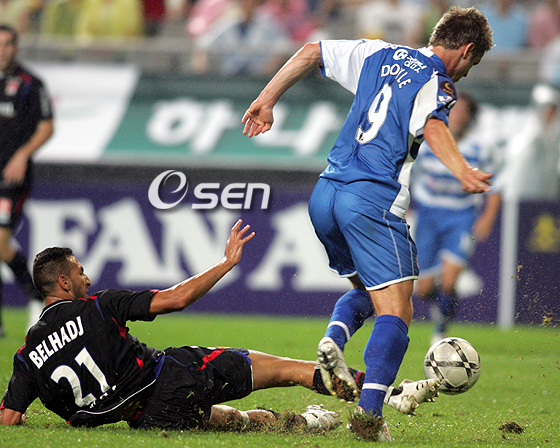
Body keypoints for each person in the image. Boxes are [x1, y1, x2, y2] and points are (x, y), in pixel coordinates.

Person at [242, 6, 494, 441]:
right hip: (372, 199)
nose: (468, 72)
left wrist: (266, 100)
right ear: (467, 50)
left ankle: (334, 341)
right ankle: (369, 418)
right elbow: (433, 126)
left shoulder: (378, 53)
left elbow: (310, 51)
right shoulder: (437, 81)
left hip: (326, 193)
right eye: (473, 63)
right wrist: (462, 170)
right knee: (397, 308)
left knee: (369, 292)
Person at [0, 220, 437, 431]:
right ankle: (389, 394)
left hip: (148, 419)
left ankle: (309, 424)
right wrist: (226, 263)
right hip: (171, 377)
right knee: (286, 369)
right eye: (79, 272)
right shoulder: (97, 307)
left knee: (233, 421)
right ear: (63, 282)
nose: (87, 278)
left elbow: (9, 418)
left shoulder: (26, 357)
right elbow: (177, 299)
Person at [410, 91, 502, 346]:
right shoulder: (427, 143)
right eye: (454, 110)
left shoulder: (480, 148)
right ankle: (443, 306)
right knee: (424, 289)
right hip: (428, 216)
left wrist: (487, 218)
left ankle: (440, 332)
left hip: (461, 216)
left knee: (449, 280)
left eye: (464, 111)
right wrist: (403, 206)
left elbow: (496, 186)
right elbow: (407, 176)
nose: (458, 116)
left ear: (471, 117)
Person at [0, 24, 54, 336]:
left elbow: (47, 126)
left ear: (16, 48)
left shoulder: (30, 84)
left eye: (7, 44)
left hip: (11, 177)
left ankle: (36, 296)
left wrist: (22, 154)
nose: (2, 50)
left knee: (0, 242)